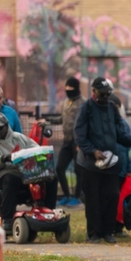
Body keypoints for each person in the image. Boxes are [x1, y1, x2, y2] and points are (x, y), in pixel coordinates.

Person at [75, 77, 131, 243]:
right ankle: (94, 233)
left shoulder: (111, 108)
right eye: (102, 94)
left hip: (110, 162)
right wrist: (93, 151)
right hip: (90, 164)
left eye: (108, 94)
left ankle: (108, 232)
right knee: (93, 199)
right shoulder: (86, 108)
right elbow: (79, 136)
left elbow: (120, 134)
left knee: (112, 195)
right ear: (94, 92)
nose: (105, 98)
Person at [0, 114, 57, 234]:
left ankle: (48, 211)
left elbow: (36, 149)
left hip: (23, 172)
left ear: (6, 127)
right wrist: (2, 159)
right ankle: (7, 218)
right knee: (11, 179)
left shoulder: (19, 138)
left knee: (51, 177)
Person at [56, 78, 83, 207]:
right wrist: (47, 121)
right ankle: (66, 195)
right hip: (66, 140)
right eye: (66, 89)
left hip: (77, 142)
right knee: (60, 167)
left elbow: (84, 123)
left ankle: (77, 196)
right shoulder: (65, 102)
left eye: (71, 89)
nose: (68, 91)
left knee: (79, 170)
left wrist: (81, 142)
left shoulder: (83, 104)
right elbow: (62, 119)